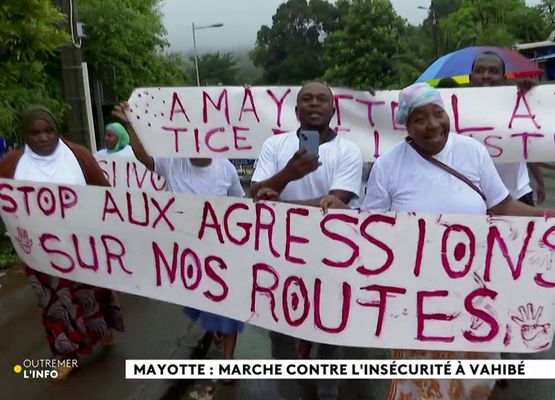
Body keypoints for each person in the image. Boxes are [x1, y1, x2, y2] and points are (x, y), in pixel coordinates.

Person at [322, 83, 555, 400]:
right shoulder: (389, 166)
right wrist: (340, 214)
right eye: (420, 118)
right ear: (407, 124)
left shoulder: (472, 152)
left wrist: (550, 215)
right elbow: (371, 230)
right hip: (416, 302)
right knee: (422, 385)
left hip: (474, 295)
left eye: (437, 113)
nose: (432, 125)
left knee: (472, 384)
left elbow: (500, 206)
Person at [250, 81, 363, 399]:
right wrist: (289, 173)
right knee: (281, 334)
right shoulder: (275, 146)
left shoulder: (348, 151)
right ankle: (288, 392)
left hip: (331, 260)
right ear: (297, 110)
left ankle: (327, 392)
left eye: (322, 99)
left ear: (333, 109)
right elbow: (254, 195)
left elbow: (335, 203)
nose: (315, 104)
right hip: (280, 259)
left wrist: (280, 204)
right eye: (307, 99)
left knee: (329, 334)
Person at [112, 102, 245, 370]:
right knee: (203, 302)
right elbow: (143, 158)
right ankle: (214, 324)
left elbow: (239, 207)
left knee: (229, 304)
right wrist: (132, 124)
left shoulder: (226, 169)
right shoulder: (172, 163)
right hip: (184, 254)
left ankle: (228, 360)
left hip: (220, 250)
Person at [0, 106, 125, 380]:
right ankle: (65, 354)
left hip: (84, 246)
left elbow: (105, 195)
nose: (43, 137)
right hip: (41, 253)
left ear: (58, 131)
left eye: (49, 130)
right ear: (26, 135)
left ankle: (105, 330)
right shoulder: (12, 164)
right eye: (35, 132)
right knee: (54, 302)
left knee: (93, 293)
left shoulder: (78, 156)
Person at [470, 51, 546, 206]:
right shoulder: (454, 109)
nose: (486, 75)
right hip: (477, 198)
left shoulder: (518, 104)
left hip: (518, 194)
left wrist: (532, 95)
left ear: (504, 79)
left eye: (493, 71)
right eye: (479, 70)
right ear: (470, 78)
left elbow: (527, 145)